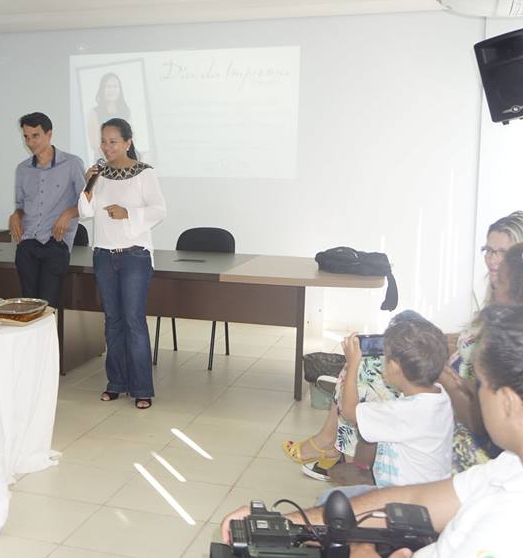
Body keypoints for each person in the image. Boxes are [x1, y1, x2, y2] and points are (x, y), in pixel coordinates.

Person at [222, 303, 523, 558]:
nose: (472, 392)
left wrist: (353, 364)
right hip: (404, 492)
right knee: (333, 504)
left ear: (508, 402)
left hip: (399, 503)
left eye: (480, 383)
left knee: (331, 503)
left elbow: (352, 413)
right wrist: (280, 523)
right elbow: (416, 499)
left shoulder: (504, 528)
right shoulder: (508, 468)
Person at [287, 210, 523, 480]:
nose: (492, 260)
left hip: (447, 393)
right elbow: (466, 341)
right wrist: (434, 340)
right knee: (405, 319)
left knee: (362, 367)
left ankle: (342, 450)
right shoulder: (498, 297)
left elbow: (475, 403)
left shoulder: (511, 322)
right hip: (448, 376)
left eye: (501, 253)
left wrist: (437, 366)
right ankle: (338, 441)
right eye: (488, 250)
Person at [316, 311, 452, 503]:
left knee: (327, 502)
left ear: (395, 367)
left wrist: (353, 364)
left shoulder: (401, 412)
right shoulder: (440, 397)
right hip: (430, 495)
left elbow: (348, 410)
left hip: (403, 503)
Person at [78, 118, 165, 409]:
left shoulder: (144, 173)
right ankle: (116, 383)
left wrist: (128, 212)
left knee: (133, 321)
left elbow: (159, 210)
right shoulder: (99, 173)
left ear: (128, 142)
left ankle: (142, 388)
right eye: (103, 141)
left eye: (113, 141)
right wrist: (87, 185)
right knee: (112, 321)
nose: (106, 146)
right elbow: (85, 211)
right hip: (104, 254)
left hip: (134, 256)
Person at [9, 112, 86, 309]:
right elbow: (20, 206)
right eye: (26, 136)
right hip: (27, 245)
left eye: (35, 136)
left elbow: (86, 203)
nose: (30, 142)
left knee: (47, 307)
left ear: (49, 134)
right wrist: (15, 215)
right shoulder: (23, 169)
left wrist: (68, 213)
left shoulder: (72, 164)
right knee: (27, 305)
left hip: (56, 244)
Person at [86, 73, 130, 163]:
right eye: (108, 87)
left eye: (115, 86)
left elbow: (132, 138)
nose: (112, 90)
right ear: (102, 89)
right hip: (103, 161)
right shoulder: (94, 112)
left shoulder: (126, 111)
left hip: (124, 161)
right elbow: (94, 144)